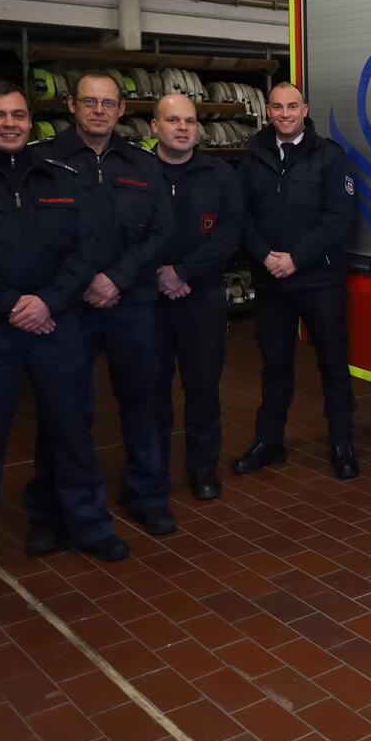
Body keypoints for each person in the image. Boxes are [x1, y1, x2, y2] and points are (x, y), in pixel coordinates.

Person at [0, 80, 127, 568]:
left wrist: (47, 301)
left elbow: (86, 249)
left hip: (55, 325)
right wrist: (11, 305)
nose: (9, 124)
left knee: (72, 431)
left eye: (18, 115)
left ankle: (89, 525)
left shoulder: (60, 176)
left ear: (30, 119)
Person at [26, 73, 175, 548]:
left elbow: (162, 233)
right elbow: (32, 237)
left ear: (122, 108)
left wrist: (117, 279)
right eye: (89, 101)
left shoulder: (141, 163)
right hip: (67, 308)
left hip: (131, 304)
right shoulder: (41, 160)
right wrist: (79, 283)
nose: (98, 111)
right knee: (64, 409)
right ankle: (50, 512)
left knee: (143, 402)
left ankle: (148, 496)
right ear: (71, 104)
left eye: (107, 103)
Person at [232, 82, 359, 480]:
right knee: (274, 366)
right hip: (271, 281)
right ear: (267, 111)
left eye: (292, 106)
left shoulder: (330, 156)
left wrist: (297, 258)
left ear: (305, 109)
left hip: (319, 279)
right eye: (277, 107)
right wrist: (265, 256)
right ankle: (269, 442)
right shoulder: (252, 157)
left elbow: (339, 217)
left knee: (333, 366)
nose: (285, 114)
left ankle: (342, 444)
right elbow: (240, 215)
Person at [152, 94, 242, 500]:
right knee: (149, 388)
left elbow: (229, 233)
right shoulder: (137, 172)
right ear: (155, 127)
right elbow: (125, 231)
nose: (183, 127)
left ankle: (203, 468)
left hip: (202, 295)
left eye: (190, 120)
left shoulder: (219, 174)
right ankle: (150, 470)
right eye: (173, 120)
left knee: (203, 387)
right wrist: (158, 274)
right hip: (148, 297)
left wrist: (183, 272)